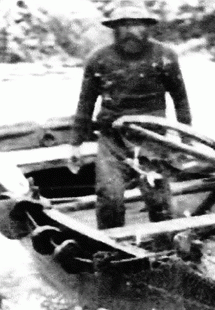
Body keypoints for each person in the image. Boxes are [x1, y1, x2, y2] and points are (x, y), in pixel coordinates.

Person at [70, 0, 192, 229]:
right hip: (111, 138)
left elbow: (181, 100)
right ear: (114, 29)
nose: (130, 32)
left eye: (136, 25)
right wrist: (75, 144)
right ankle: (110, 248)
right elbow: (86, 102)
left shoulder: (165, 57)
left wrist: (186, 142)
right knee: (110, 196)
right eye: (123, 26)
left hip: (152, 138)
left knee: (158, 197)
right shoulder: (99, 59)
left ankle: (166, 244)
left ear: (147, 27)